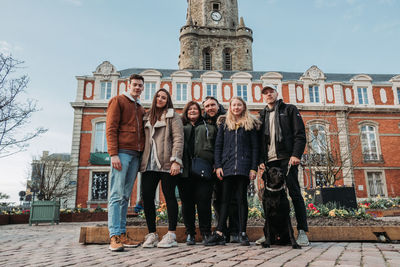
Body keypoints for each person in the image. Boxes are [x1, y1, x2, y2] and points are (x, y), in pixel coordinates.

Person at [258, 84, 309, 246]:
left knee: (294, 193)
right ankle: (269, 234)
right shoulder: (261, 114)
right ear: (262, 96)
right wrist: (260, 160)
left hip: (287, 158)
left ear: (276, 93)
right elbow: (259, 142)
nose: (268, 95)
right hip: (270, 161)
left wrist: (296, 154)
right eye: (265, 93)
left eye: (271, 92)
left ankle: (302, 232)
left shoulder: (289, 110)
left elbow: (300, 134)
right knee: (267, 198)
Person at [206, 97, 259, 246]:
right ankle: (220, 232)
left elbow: (255, 148)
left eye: (239, 105)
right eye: (234, 105)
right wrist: (218, 165)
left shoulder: (250, 124)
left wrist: (253, 168)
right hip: (227, 168)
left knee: (241, 200)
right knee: (225, 200)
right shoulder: (224, 124)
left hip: (243, 168)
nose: (236, 107)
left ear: (243, 107)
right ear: (230, 107)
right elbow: (218, 146)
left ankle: (242, 233)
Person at [140, 88, 184, 248]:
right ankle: (152, 234)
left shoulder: (173, 116)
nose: (160, 99)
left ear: (168, 100)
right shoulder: (146, 116)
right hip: (149, 164)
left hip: (167, 163)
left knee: (170, 197)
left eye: (163, 97)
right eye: (158, 96)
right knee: (147, 198)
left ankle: (171, 234)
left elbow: (179, 139)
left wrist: (176, 161)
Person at [106, 74, 145, 252]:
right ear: (128, 85)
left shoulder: (140, 107)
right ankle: (114, 236)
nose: (137, 88)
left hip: (135, 155)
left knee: (125, 196)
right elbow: (111, 128)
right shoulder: (118, 101)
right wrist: (113, 154)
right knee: (116, 194)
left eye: (140, 86)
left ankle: (121, 234)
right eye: (135, 85)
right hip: (121, 153)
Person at [178, 101, 218, 245]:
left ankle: (206, 233)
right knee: (187, 204)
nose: (193, 111)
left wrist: (216, 163)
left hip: (204, 169)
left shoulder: (209, 126)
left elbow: (216, 146)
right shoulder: (181, 127)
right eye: (190, 109)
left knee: (204, 203)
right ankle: (190, 233)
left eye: (195, 109)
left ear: (200, 112)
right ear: (186, 112)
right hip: (185, 171)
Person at [203, 96, 240, 243]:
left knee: (232, 199)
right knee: (217, 200)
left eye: (213, 105)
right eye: (207, 106)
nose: (210, 108)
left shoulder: (227, 119)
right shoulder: (203, 122)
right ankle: (221, 230)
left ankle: (235, 230)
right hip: (211, 166)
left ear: (219, 106)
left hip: (227, 164)